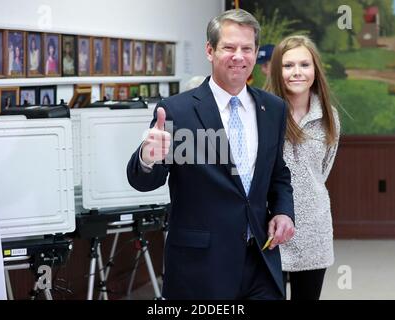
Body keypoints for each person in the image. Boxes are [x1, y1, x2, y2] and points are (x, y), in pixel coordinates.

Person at [127, 9, 295, 300]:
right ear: (210, 50)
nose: (238, 56)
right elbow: (144, 181)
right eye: (229, 47)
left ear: (256, 52)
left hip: (260, 261)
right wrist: (147, 156)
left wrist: (283, 211)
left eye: (246, 48)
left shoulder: (274, 108)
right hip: (201, 267)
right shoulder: (177, 110)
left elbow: (278, 174)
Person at [266, 35, 340, 300]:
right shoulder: (262, 112)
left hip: (313, 229)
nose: (297, 72)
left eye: (304, 65)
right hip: (270, 227)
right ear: (277, 70)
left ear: (315, 70)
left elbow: (322, 170)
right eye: (288, 66)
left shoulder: (329, 116)